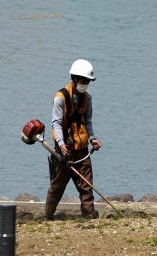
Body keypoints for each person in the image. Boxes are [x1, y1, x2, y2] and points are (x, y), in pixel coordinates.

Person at [44, 58, 102, 219]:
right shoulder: (60, 98)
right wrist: (61, 144)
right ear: (74, 78)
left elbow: (87, 121)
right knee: (57, 187)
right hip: (65, 151)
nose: (85, 83)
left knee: (86, 186)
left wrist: (92, 139)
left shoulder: (87, 98)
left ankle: (89, 216)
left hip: (82, 151)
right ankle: (47, 216)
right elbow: (56, 123)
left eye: (88, 81)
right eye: (83, 80)